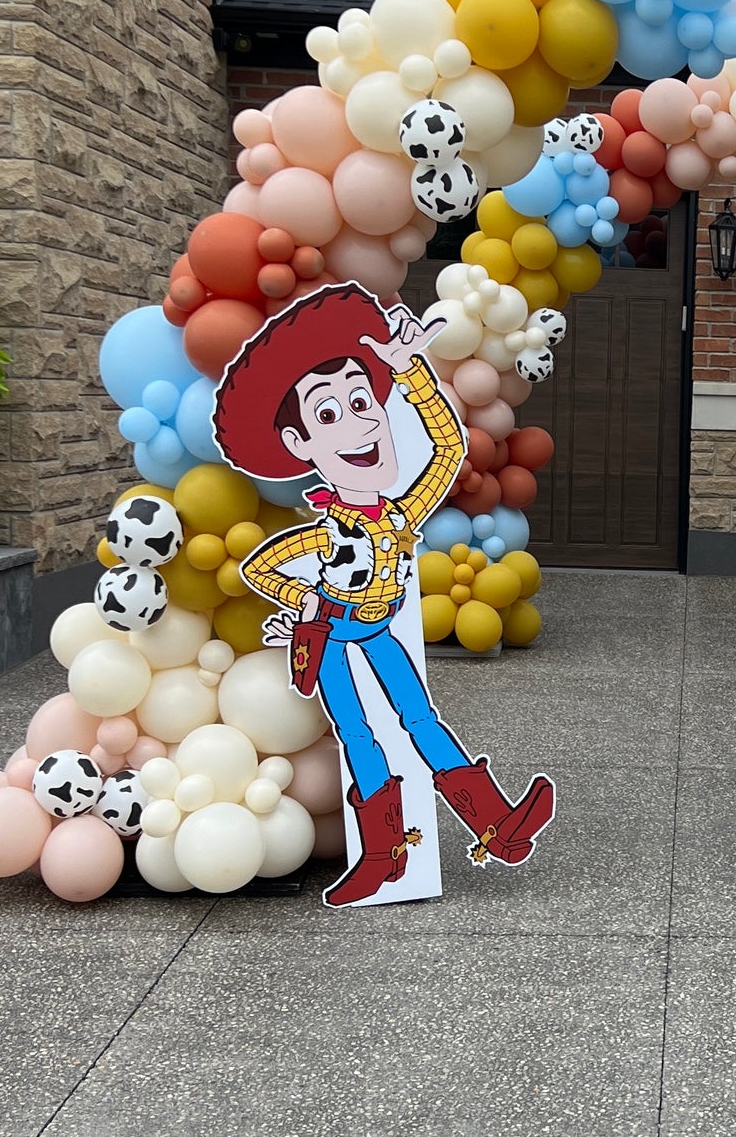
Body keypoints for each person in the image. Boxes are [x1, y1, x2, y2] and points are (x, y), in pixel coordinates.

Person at [213, 283, 554, 907]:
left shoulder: (399, 512)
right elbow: (260, 569)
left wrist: (408, 372)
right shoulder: (324, 529)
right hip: (336, 640)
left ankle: (493, 824)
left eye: (360, 399)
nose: (358, 421)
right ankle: (383, 859)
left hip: (379, 629)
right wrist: (307, 601)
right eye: (327, 414)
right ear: (300, 447)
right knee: (361, 737)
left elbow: (449, 448)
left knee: (419, 717)